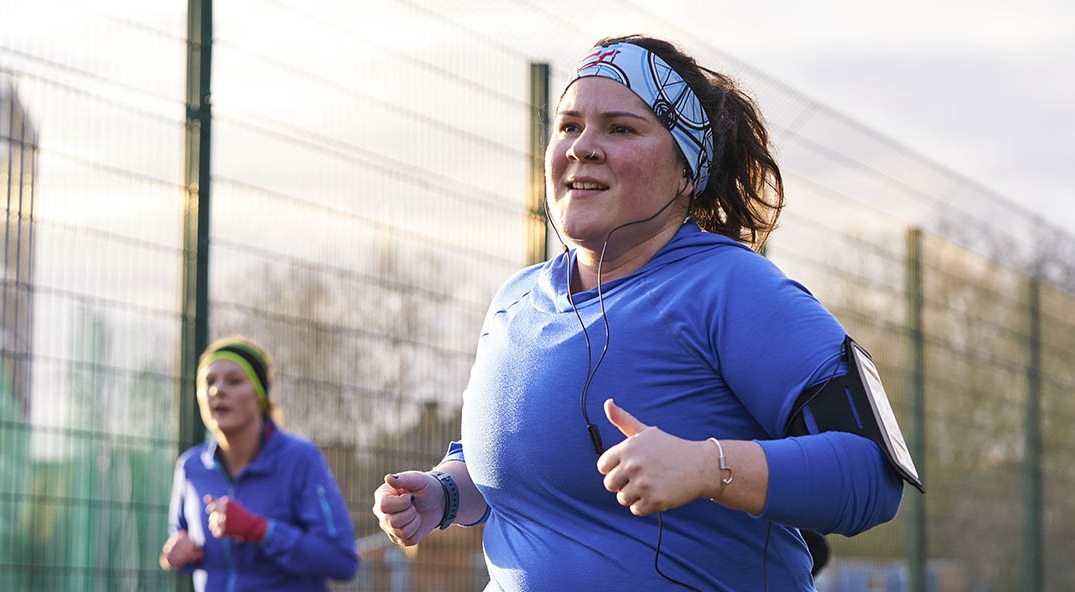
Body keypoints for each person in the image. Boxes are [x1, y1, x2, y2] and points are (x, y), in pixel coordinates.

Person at [373, 34, 911, 591]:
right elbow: (525, 468)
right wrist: (445, 492)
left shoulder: (735, 289)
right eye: (568, 126)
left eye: (621, 128)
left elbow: (872, 476)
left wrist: (708, 467)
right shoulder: (515, 299)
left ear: (686, 171)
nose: (582, 147)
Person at [160, 336, 358, 591]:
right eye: (209, 382)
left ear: (260, 395)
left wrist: (260, 530)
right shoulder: (190, 467)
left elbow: (342, 561)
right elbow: (180, 538)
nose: (217, 390)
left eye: (234, 381)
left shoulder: (301, 459)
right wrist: (177, 552)